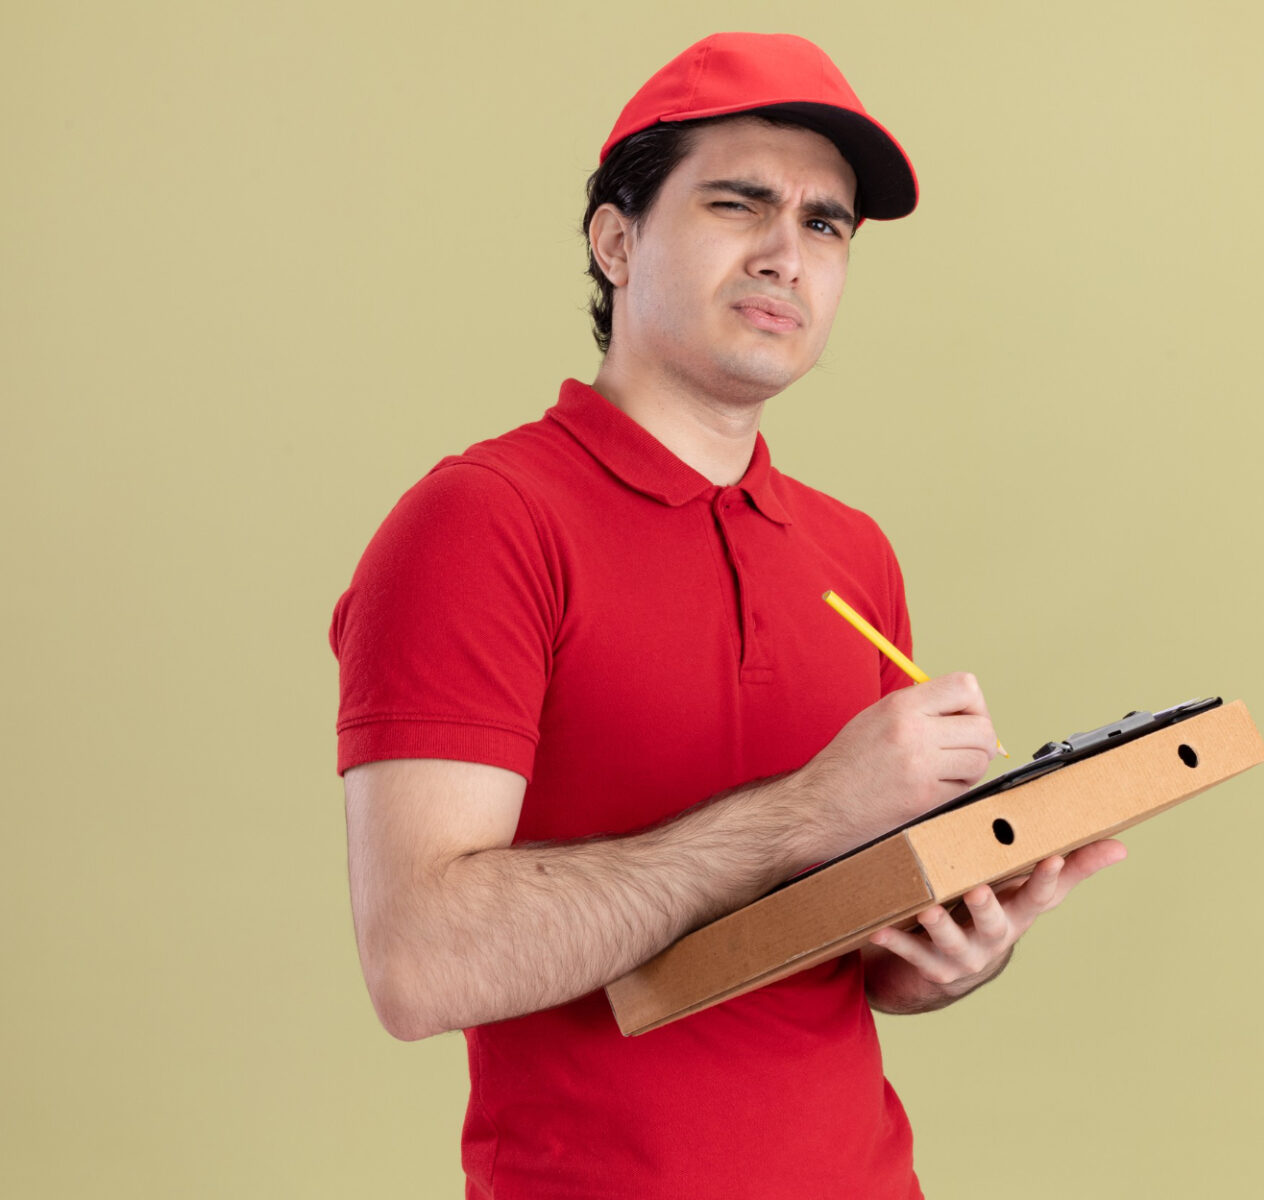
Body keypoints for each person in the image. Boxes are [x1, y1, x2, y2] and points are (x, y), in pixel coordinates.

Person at [330, 31, 1124, 1200]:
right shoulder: (479, 523)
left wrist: (945, 954)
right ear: (616, 239)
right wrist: (806, 809)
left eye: (824, 224)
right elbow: (419, 962)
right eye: (737, 203)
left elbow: (834, 955)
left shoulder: (853, 556)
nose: (785, 255)